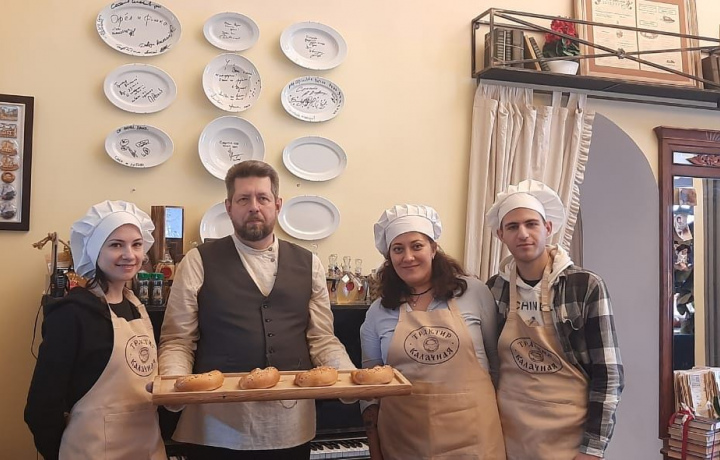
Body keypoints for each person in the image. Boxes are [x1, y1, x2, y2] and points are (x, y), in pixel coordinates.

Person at [158, 160, 355, 460]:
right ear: (228, 207)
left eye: (262, 198)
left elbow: (322, 339)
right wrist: (174, 388)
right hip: (216, 426)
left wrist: (349, 378)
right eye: (243, 199)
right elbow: (178, 340)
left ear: (277, 205)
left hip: (290, 426)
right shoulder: (197, 261)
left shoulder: (309, 264)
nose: (254, 207)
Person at [485, 180, 624, 460]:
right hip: (510, 435)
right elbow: (490, 365)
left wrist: (593, 449)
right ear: (501, 235)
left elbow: (608, 373)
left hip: (569, 439)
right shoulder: (494, 289)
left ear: (547, 228)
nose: (523, 234)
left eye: (531, 224)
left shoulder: (585, 286)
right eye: (512, 227)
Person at [360, 204, 505, 460]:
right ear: (389, 257)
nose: (408, 257)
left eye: (417, 246)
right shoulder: (378, 311)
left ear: (433, 248)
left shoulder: (474, 292)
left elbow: (497, 363)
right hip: (404, 438)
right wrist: (374, 446)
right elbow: (371, 386)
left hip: (474, 435)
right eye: (398, 249)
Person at [25, 200, 166, 459]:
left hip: (148, 448)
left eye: (136, 244)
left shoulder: (137, 308)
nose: (129, 254)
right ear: (94, 250)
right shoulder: (71, 314)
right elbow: (41, 406)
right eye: (116, 245)